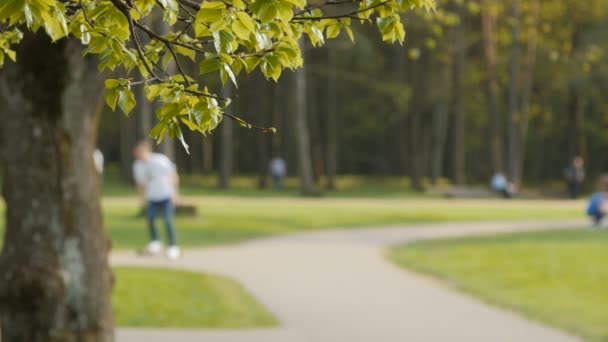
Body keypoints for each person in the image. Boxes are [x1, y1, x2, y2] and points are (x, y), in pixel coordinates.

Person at [132, 140, 181, 259]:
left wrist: (175, 194)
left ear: (146, 151)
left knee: (168, 220)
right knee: (151, 219)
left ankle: (172, 246)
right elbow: (141, 184)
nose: (138, 155)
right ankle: (156, 242)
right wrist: (142, 197)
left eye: (140, 152)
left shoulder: (160, 160)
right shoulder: (138, 166)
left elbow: (173, 176)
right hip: (151, 197)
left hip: (165, 195)